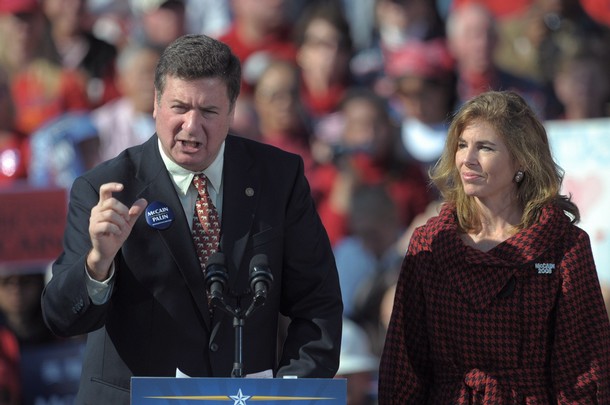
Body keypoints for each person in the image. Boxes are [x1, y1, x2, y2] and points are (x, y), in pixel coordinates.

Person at [41, 34, 343, 404]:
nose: (191, 126)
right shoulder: (105, 188)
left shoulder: (278, 178)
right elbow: (61, 318)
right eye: (179, 107)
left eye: (209, 112)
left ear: (232, 110)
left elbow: (317, 302)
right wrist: (97, 264)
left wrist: (291, 392)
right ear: (155, 104)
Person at [378, 90, 610, 403]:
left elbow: (582, 372)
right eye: (462, 145)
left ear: (522, 159)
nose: (467, 159)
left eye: (484, 147)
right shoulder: (430, 244)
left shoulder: (564, 246)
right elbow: (403, 369)